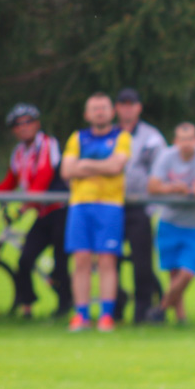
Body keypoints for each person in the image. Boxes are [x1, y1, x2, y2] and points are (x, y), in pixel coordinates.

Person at [0, 103, 71, 318]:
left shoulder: (48, 144)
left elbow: (43, 179)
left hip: (61, 211)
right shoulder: (19, 152)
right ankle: (26, 305)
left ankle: (66, 306)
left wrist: (23, 208)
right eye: (17, 124)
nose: (23, 127)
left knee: (60, 261)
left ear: (37, 124)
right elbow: (10, 181)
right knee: (25, 259)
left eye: (28, 122)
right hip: (43, 213)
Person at [61, 92, 131, 332]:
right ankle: (81, 315)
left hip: (110, 206)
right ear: (87, 114)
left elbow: (115, 166)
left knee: (106, 261)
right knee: (80, 260)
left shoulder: (121, 137)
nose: (99, 112)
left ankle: (106, 316)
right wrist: (98, 167)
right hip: (80, 205)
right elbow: (67, 170)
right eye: (95, 108)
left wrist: (85, 165)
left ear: (112, 112)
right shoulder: (77, 137)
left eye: (104, 107)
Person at [146, 122, 195, 323]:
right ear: (175, 141)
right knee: (174, 274)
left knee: (187, 272)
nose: (186, 144)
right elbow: (153, 185)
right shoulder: (167, 156)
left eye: (190, 139)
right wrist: (173, 189)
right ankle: (181, 318)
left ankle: (160, 309)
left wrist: (191, 191)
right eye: (182, 139)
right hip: (169, 223)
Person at [115, 87, 166, 322]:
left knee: (142, 262)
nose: (127, 108)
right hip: (112, 205)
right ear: (117, 108)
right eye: (122, 104)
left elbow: (160, 170)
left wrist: (152, 207)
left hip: (140, 206)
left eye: (131, 104)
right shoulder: (110, 134)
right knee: (109, 259)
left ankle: (142, 310)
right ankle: (115, 305)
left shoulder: (151, 137)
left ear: (138, 107)